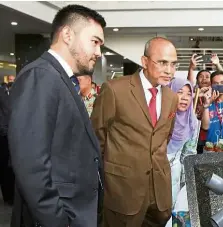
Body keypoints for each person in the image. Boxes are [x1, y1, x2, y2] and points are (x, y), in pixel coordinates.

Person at [8, 5, 105, 227]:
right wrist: (59, 221)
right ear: (67, 35)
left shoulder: (60, 78)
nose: (99, 52)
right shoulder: (41, 76)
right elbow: (31, 165)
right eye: (95, 41)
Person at [91, 37, 179, 227]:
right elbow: (96, 139)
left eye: (173, 64)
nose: (169, 70)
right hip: (122, 192)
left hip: (159, 196)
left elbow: (164, 137)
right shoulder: (115, 90)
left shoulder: (172, 98)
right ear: (144, 61)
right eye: (163, 62)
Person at [167, 78, 198, 206]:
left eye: (189, 94)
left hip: (175, 176)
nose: (185, 98)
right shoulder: (160, 118)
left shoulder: (192, 122)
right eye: (180, 92)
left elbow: (188, 156)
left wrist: (186, 187)